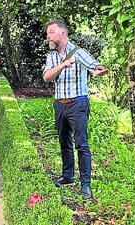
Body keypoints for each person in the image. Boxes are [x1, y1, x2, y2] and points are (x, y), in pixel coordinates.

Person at [42, 19, 107, 201]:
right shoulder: (52, 56)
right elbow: (47, 77)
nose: (48, 36)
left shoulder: (79, 53)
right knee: (64, 142)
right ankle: (68, 176)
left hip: (77, 103)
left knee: (82, 144)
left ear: (62, 33)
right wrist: (63, 64)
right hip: (59, 104)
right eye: (48, 33)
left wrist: (98, 71)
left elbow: (96, 66)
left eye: (51, 32)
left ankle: (85, 184)